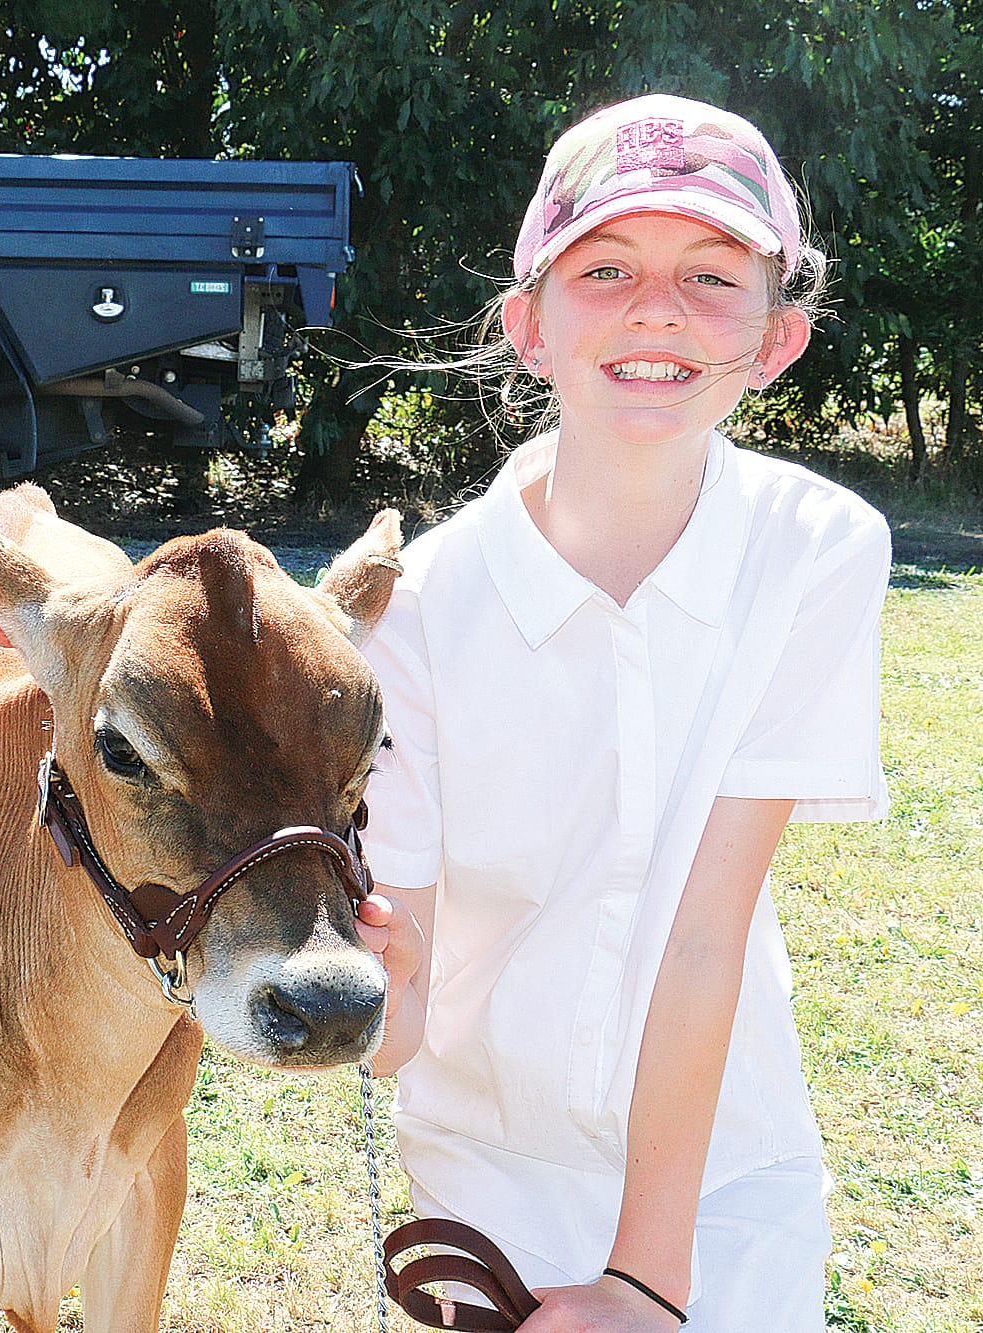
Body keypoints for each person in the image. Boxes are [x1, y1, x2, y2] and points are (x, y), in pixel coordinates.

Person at [353, 94, 890, 1332]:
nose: (656, 308)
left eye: (711, 275)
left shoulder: (814, 551)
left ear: (775, 340)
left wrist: (647, 1279)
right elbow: (405, 1002)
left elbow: (704, 930)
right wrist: (355, 993)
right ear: (527, 326)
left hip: (721, 1179)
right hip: (482, 1172)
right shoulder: (414, 607)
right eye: (605, 269)